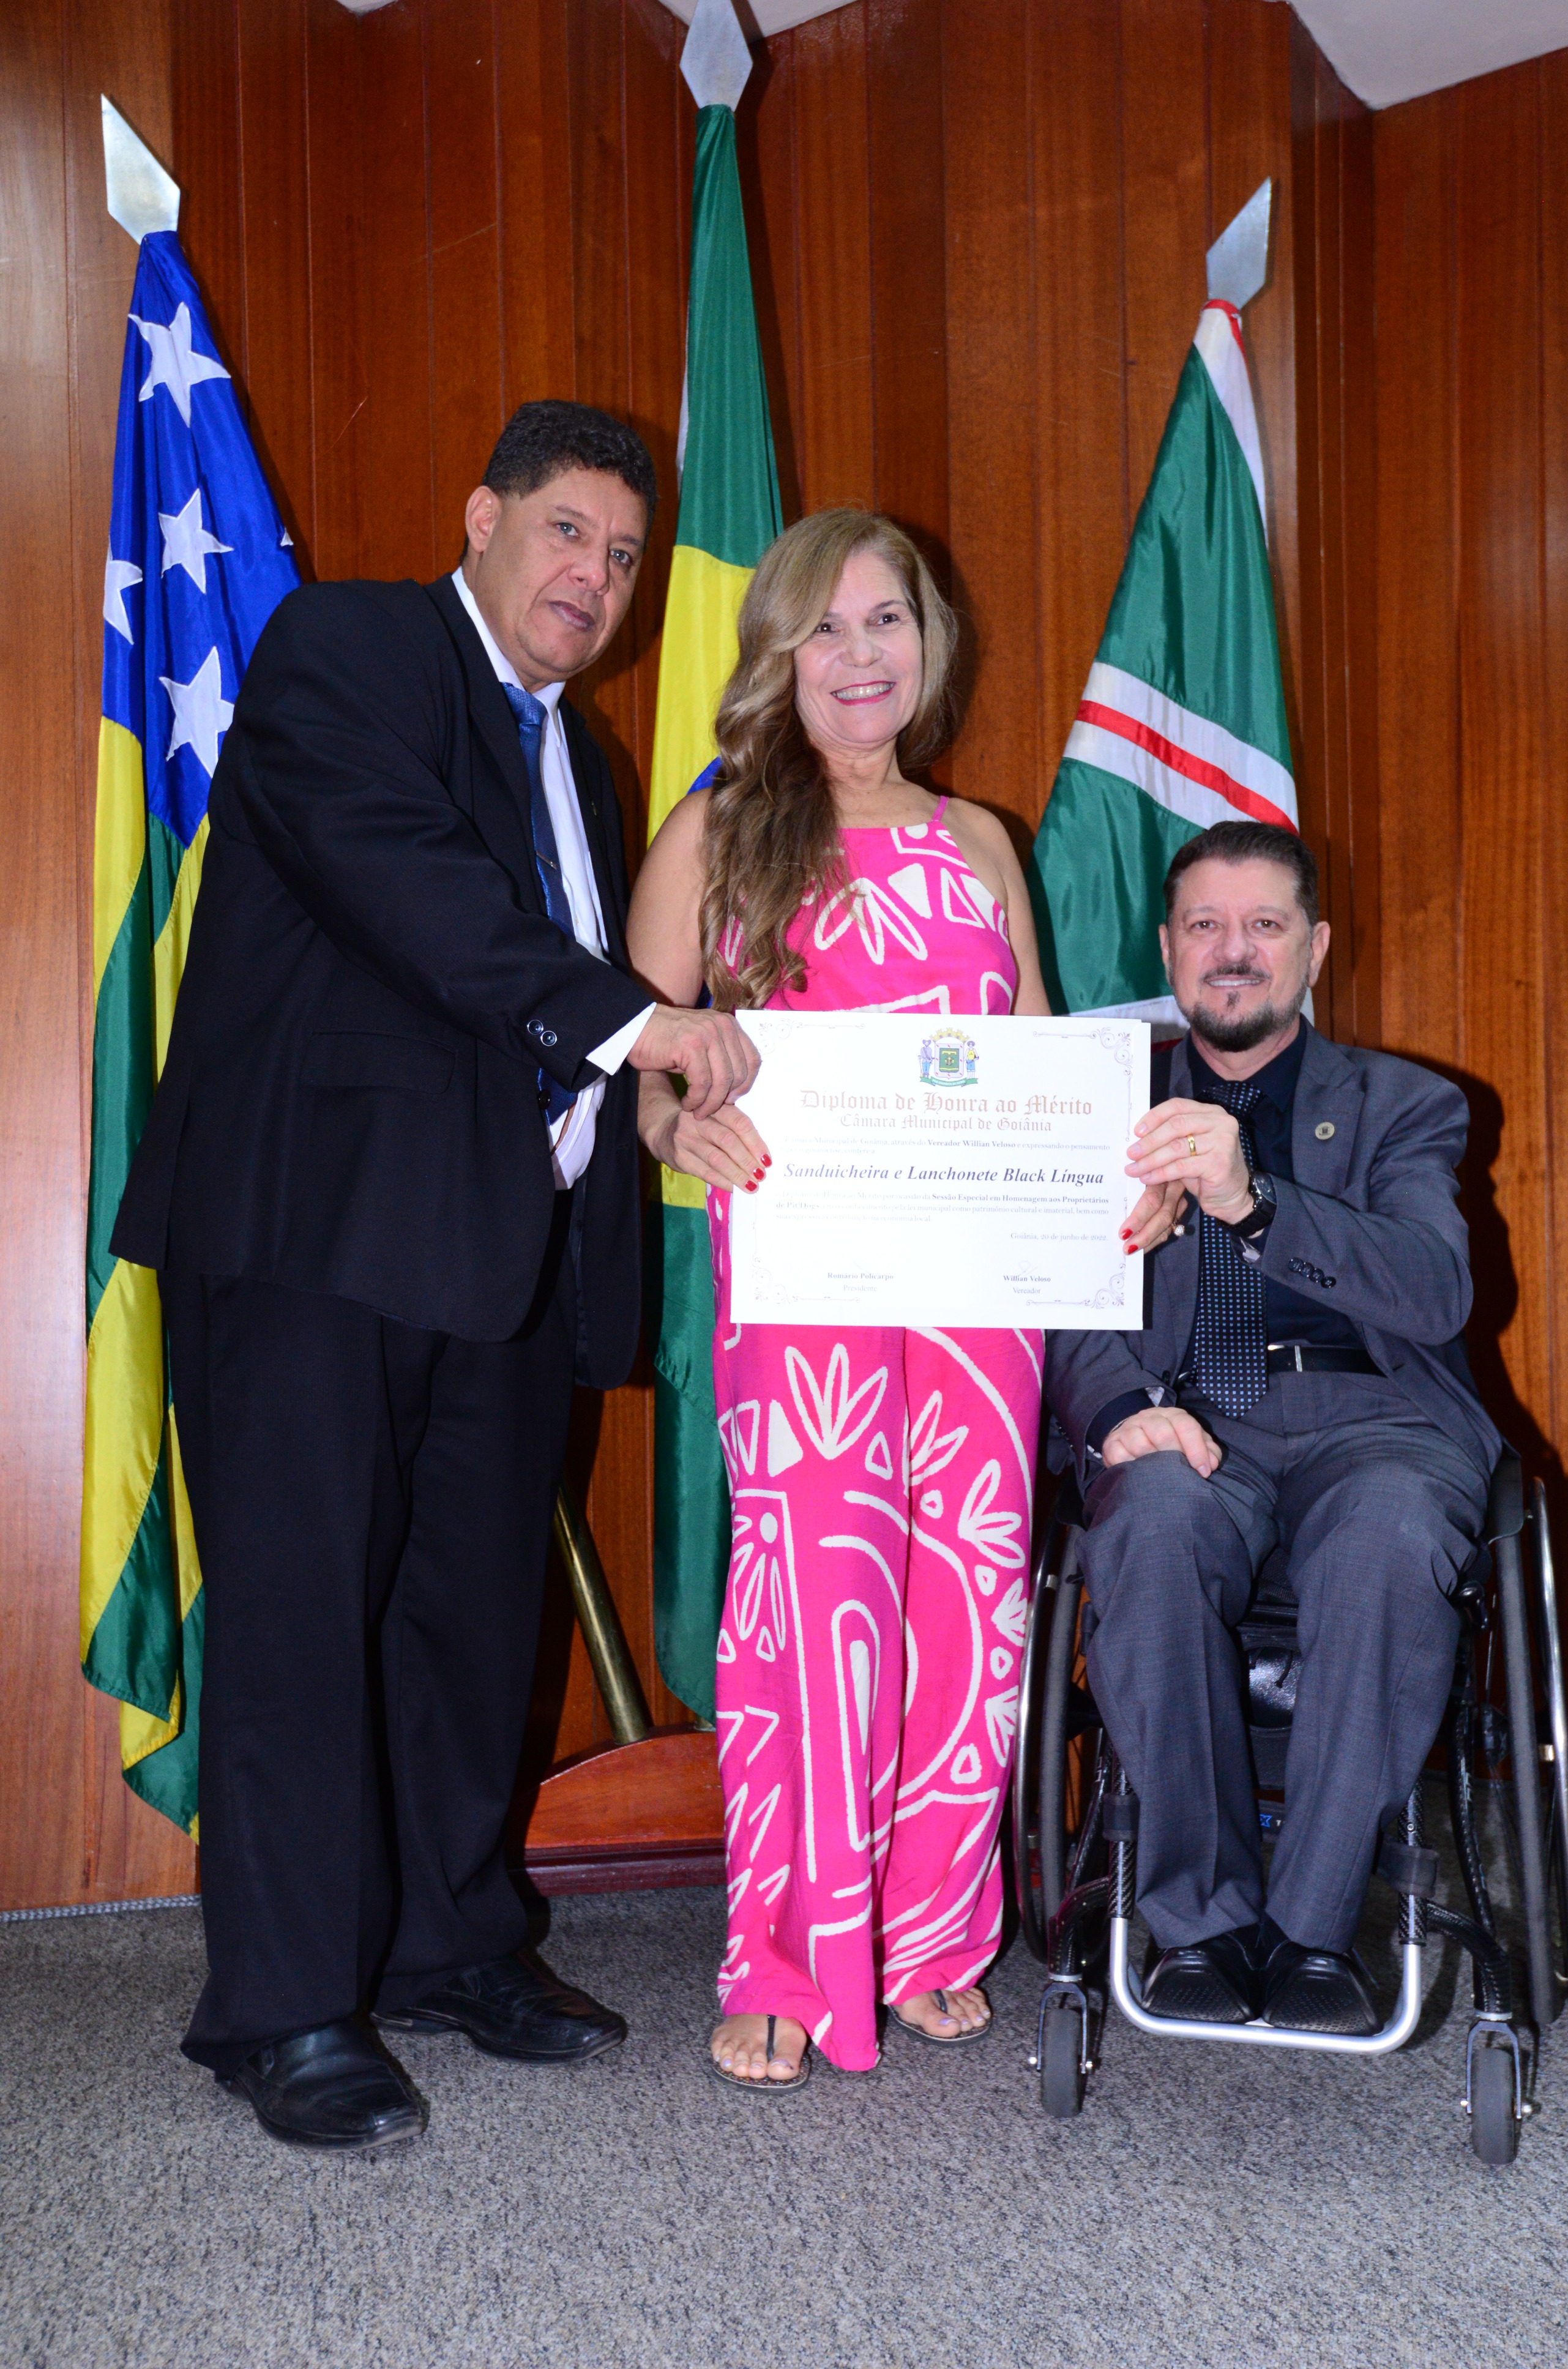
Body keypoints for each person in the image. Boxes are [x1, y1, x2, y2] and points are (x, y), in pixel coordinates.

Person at [112, 400, 759, 2149]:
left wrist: (657, 1102)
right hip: (316, 1231)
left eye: (623, 555)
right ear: (480, 518)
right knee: (302, 1618)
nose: (596, 576)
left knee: (471, 1621)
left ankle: (448, 1943)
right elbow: (401, 883)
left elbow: (572, 1006)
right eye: (566, 532)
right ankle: (284, 2006)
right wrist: (642, 1026)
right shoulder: (350, 650)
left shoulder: (588, 762)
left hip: (500, 1249)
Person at [627, 508, 1181, 2087]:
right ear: (779, 654)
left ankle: (930, 1935)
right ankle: (782, 1955)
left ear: (928, 646)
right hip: (799, 1283)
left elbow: (1043, 1073)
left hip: (975, 1296)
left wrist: (1124, 1180)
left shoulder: (981, 841)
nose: (859, 655)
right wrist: (675, 1124)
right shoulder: (716, 828)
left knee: (965, 1598)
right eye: (826, 626)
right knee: (809, 1605)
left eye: (887, 621)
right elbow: (634, 1062)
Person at [1044, 819, 1499, 2035]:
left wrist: (1254, 1204)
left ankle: (1312, 1929)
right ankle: (1199, 1923)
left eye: (1262, 925)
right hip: (1187, 1412)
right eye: (1204, 925)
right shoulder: (1102, 1099)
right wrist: (1122, 1411)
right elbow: (1055, 1296)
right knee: (1146, 1524)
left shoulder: (1404, 1104)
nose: (1231, 951)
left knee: (1387, 1540)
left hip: (1374, 1417)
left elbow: (1433, 1291)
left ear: (1314, 947)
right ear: (1166, 948)